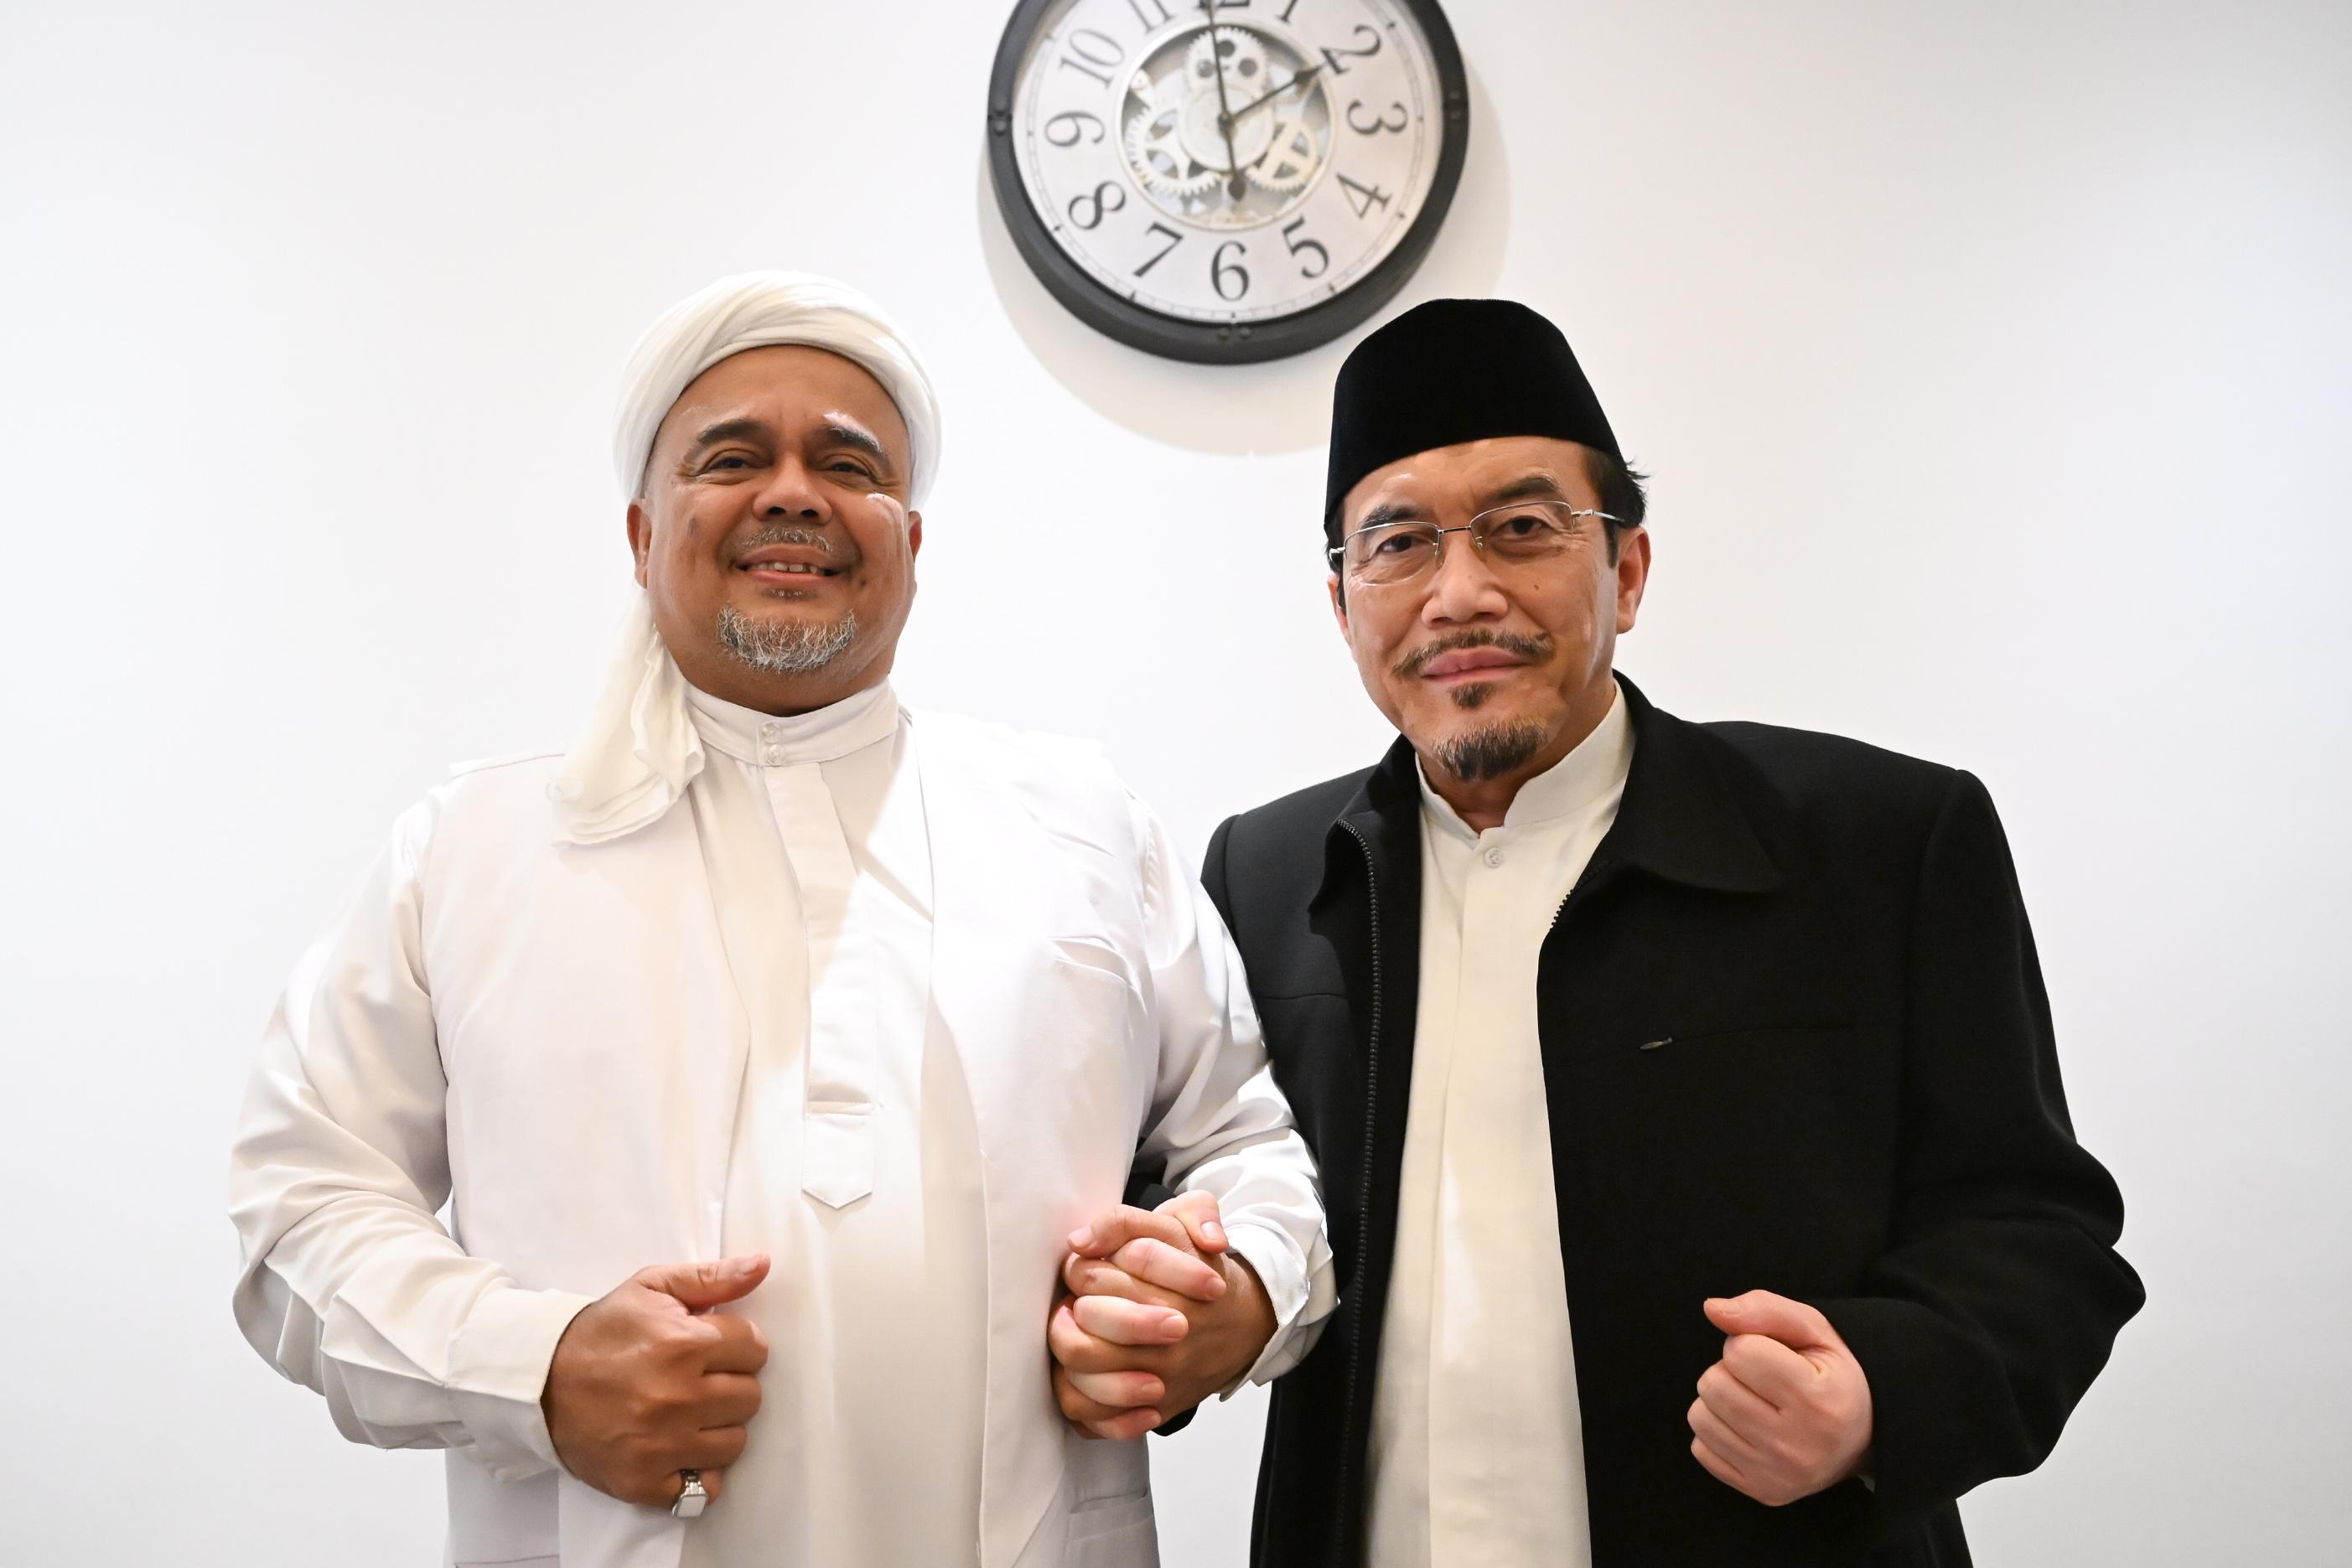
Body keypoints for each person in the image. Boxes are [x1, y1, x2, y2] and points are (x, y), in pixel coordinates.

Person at [228, 271, 1334, 1568]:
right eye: (733, 457)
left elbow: (1246, 1143)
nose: (794, 492)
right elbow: (300, 1205)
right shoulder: (471, 850)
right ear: (642, 535)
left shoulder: (1083, 826)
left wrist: (1234, 1295)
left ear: (908, 541)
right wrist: (533, 1366)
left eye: (848, 464)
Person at [1051, 298, 2142, 1565]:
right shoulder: (1267, 873)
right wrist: (1174, 1312)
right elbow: (1206, 1199)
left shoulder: (1873, 842)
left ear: (1625, 571)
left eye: (1521, 529)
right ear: (1343, 605)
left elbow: (2036, 1235)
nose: (1461, 594)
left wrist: (1875, 1393)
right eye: (1398, 544)